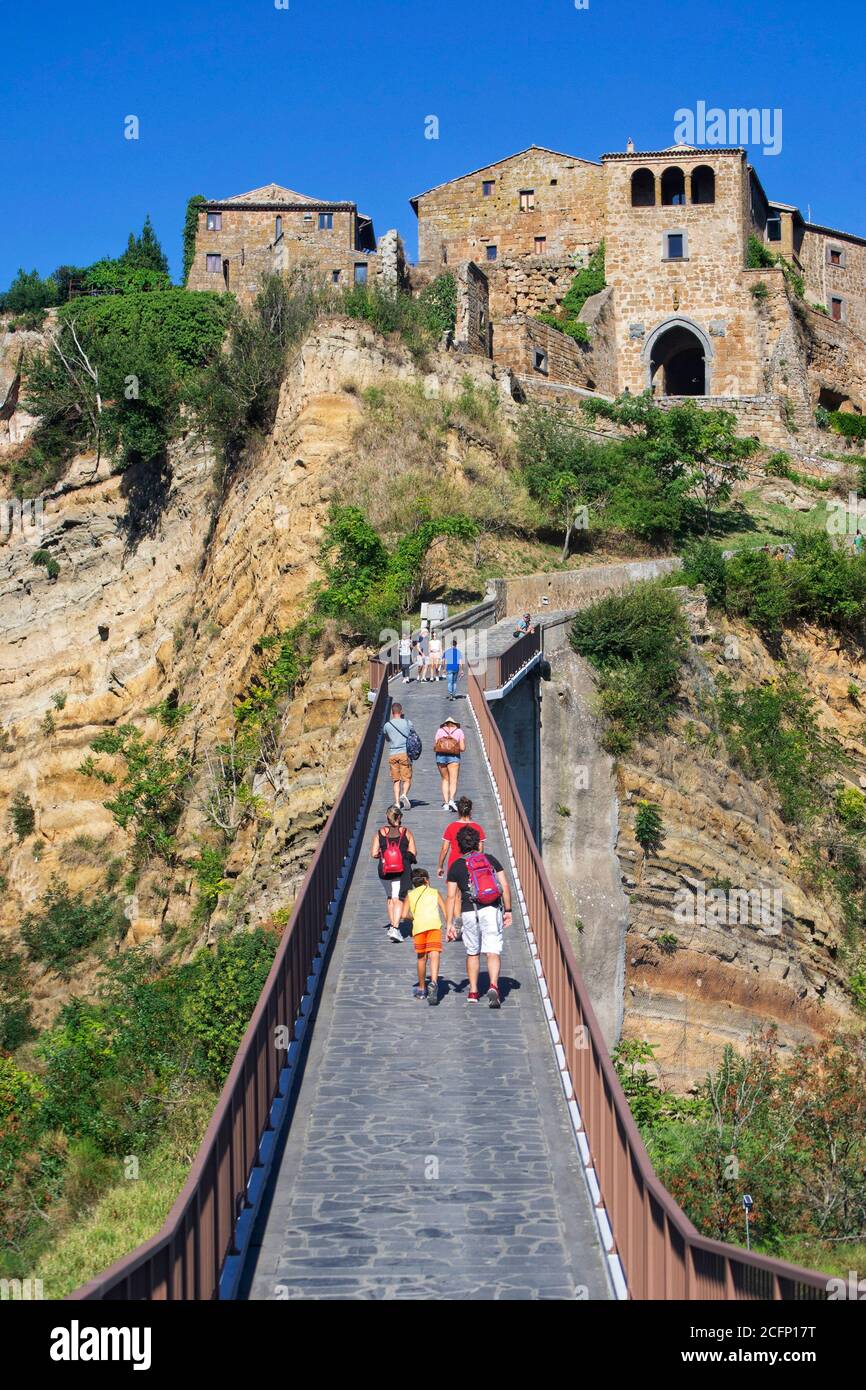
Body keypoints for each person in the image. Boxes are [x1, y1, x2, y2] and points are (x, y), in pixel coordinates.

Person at [445, 825, 512, 1007]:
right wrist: (508, 910)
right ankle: (494, 986)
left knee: (472, 952)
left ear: (459, 845)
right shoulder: (490, 860)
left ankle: (473, 991)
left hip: (469, 912)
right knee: (492, 951)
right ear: (477, 843)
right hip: (491, 909)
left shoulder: (456, 866)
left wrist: (450, 923)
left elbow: (451, 896)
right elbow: (504, 886)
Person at [371, 805, 417, 942]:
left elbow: (373, 853)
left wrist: (385, 854)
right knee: (398, 899)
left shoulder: (380, 832)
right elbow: (413, 852)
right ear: (400, 817)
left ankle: (392, 925)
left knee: (390, 898)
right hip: (400, 870)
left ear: (387, 817)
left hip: (384, 871)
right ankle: (395, 928)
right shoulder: (406, 832)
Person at [401, 867, 445, 1005]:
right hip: (434, 925)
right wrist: (449, 924)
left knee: (421, 958)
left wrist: (413, 916)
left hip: (419, 927)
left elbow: (403, 915)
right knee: (435, 954)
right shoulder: (434, 892)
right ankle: (433, 982)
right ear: (426, 880)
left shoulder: (410, 895)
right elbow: (445, 910)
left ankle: (421, 989)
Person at [437, 796, 485, 879]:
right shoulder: (477, 828)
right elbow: (480, 850)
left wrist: (440, 866)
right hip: (471, 863)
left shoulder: (451, 827)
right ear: (470, 811)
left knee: (454, 890)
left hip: (454, 863)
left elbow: (444, 849)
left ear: (458, 811)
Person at [383, 702, 415, 810]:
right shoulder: (407, 723)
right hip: (404, 754)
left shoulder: (387, 725)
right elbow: (412, 735)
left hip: (393, 754)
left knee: (396, 780)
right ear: (401, 712)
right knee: (407, 778)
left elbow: (387, 739)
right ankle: (404, 794)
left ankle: (397, 802)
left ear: (392, 713)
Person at [434, 715, 464, 811]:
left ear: (445, 723)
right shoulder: (459, 731)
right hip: (454, 757)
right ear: (455, 724)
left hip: (441, 757)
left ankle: (446, 803)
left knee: (445, 779)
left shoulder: (440, 731)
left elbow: (435, 745)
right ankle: (452, 799)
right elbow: (463, 748)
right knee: (453, 780)